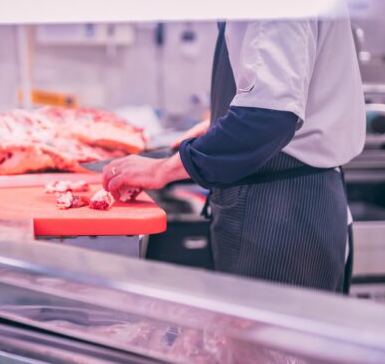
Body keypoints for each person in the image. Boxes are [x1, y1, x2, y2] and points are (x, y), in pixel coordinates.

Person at [102, 16, 365, 293]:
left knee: (267, 334)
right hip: (287, 198)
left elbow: (267, 117)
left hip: (281, 211)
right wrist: (218, 125)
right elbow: (284, 96)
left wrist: (162, 170)